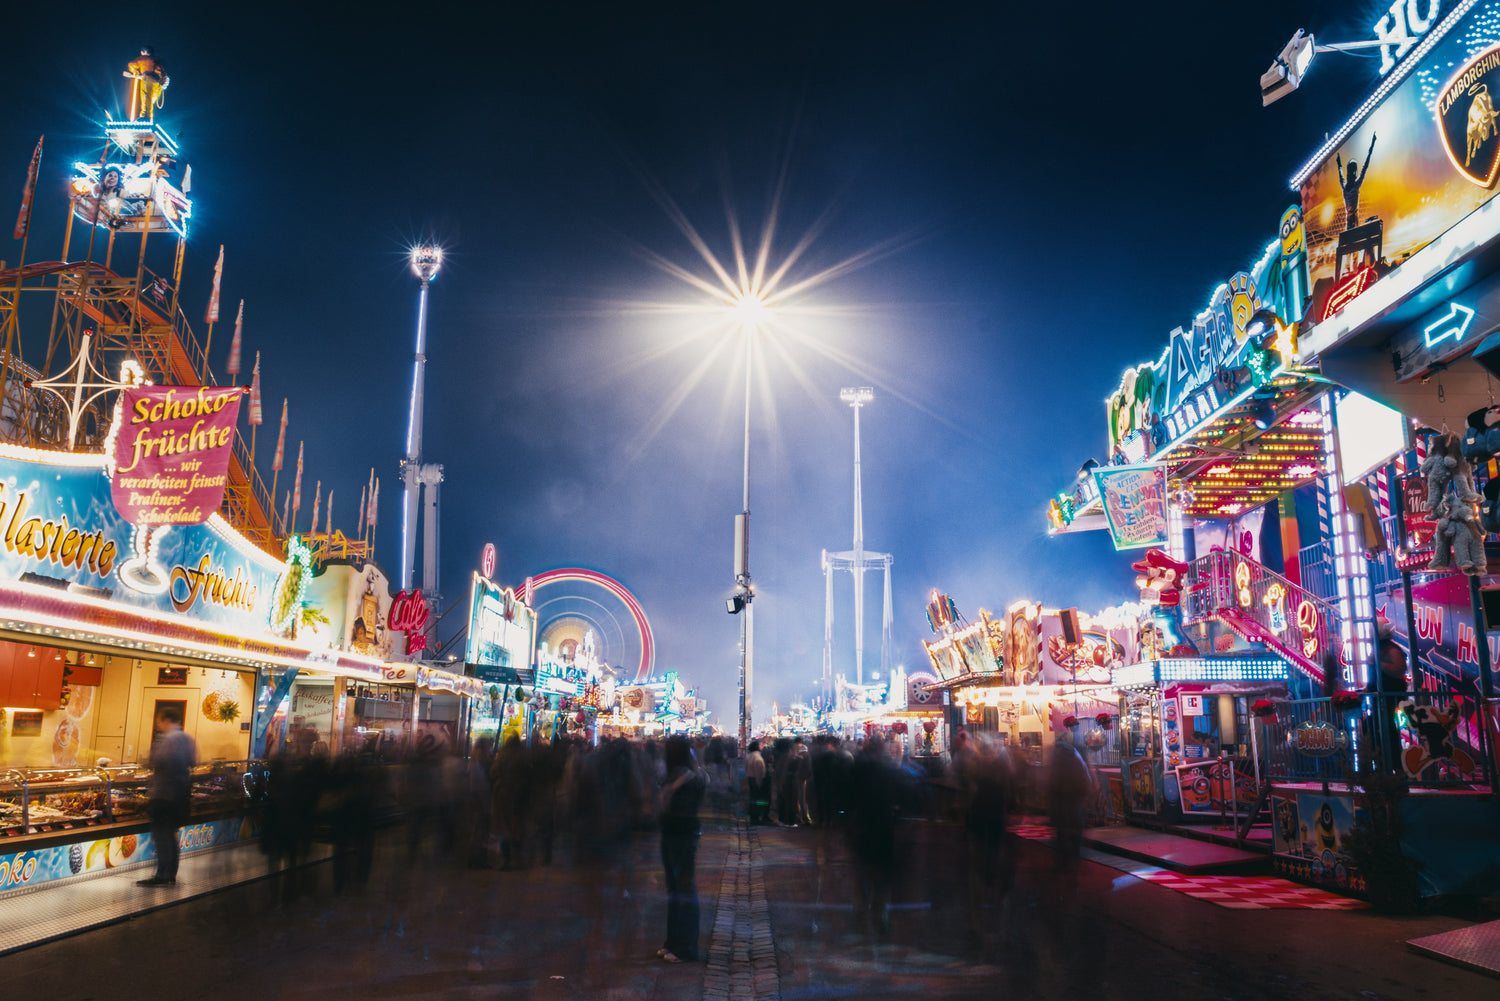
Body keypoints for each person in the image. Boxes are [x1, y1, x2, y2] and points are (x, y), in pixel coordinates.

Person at [658, 735, 708, 964]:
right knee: (675, 890)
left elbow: (678, 809)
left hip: (682, 835)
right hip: (674, 834)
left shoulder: (687, 779)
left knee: (683, 890)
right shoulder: (679, 776)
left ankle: (686, 948)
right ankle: (673, 942)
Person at [138, 706, 196, 886]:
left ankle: (162, 875)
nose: (158, 725)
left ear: (167, 720)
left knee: (162, 836)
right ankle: (170, 874)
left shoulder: (167, 739)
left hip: (164, 795)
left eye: (159, 721)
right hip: (180, 795)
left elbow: (157, 761)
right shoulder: (188, 739)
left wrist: (146, 763)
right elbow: (193, 762)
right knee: (171, 837)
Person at [1336, 132, 1377, 231]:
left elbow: (1364, 168)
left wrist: (1339, 165)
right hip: (1353, 223)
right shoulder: (1353, 185)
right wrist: (1372, 145)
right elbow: (1364, 168)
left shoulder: (1348, 186)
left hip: (1352, 222)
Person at [745, 740, 768, 824]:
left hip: (750, 779)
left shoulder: (750, 756)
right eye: (761, 745)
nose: (762, 746)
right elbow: (759, 772)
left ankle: (753, 817)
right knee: (758, 800)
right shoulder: (758, 757)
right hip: (756, 780)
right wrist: (759, 783)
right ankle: (756, 817)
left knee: (753, 799)